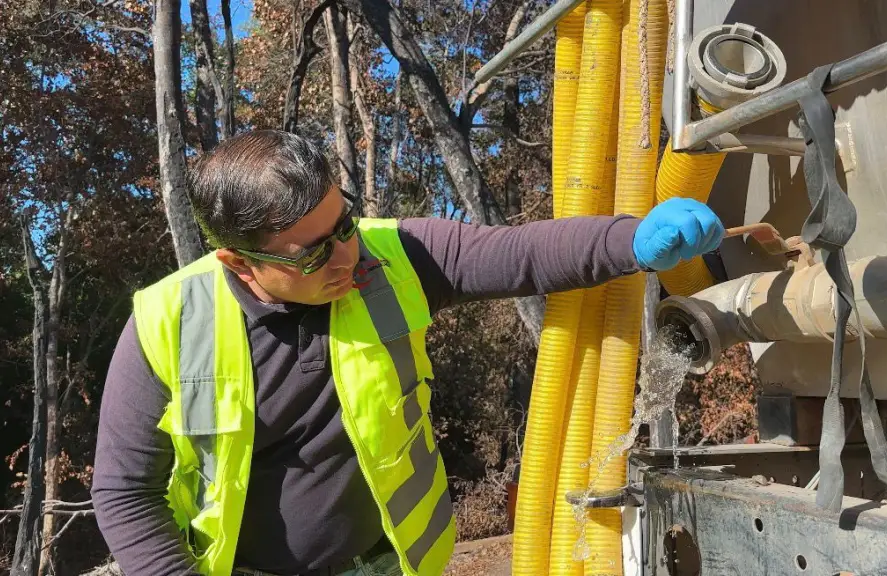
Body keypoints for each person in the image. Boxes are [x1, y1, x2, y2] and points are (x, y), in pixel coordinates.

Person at [91, 129, 724, 576]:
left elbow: (518, 254)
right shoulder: (167, 321)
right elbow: (124, 491)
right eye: (312, 252)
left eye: (344, 224)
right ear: (239, 260)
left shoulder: (392, 254)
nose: (347, 256)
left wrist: (631, 239)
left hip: (395, 565)